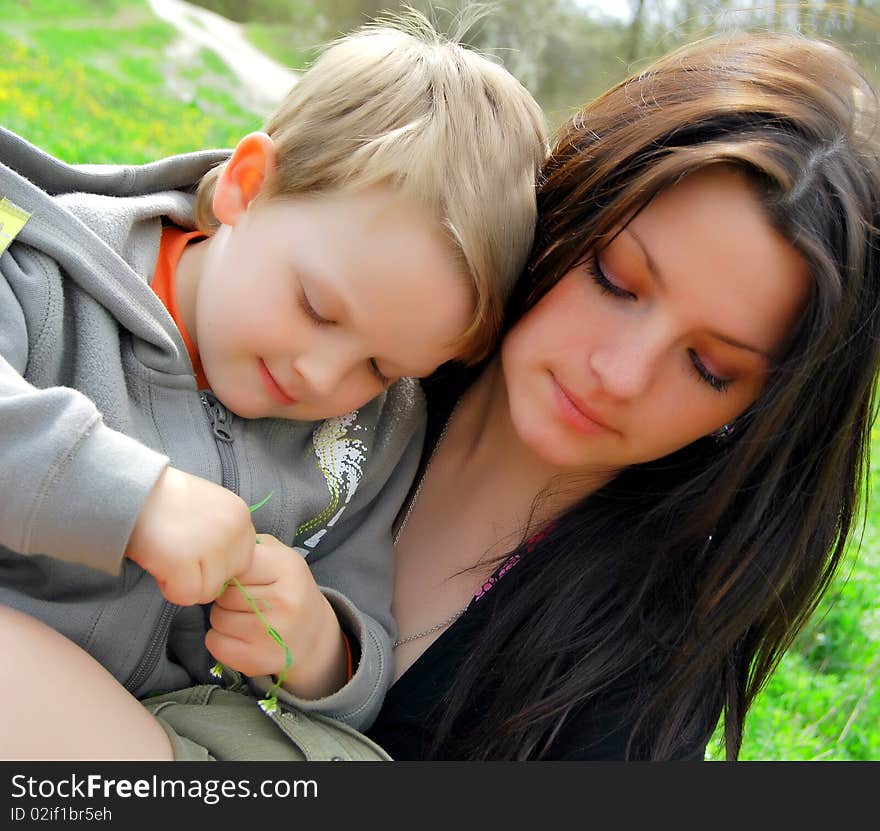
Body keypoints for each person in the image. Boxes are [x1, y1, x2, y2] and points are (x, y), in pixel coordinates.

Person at [3, 29, 878, 763]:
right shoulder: (391, 314)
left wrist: (316, 654)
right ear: (564, 217)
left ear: (758, 413)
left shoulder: (632, 693)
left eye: (711, 367)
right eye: (616, 280)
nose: (620, 371)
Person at [0, 9, 547, 756]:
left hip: (157, 724)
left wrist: (322, 648)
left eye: (381, 366)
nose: (323, 375)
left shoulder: (374, 430)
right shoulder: (43, 273)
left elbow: (362, 606)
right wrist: (134, 498)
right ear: (249, 187)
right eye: (316, 308)